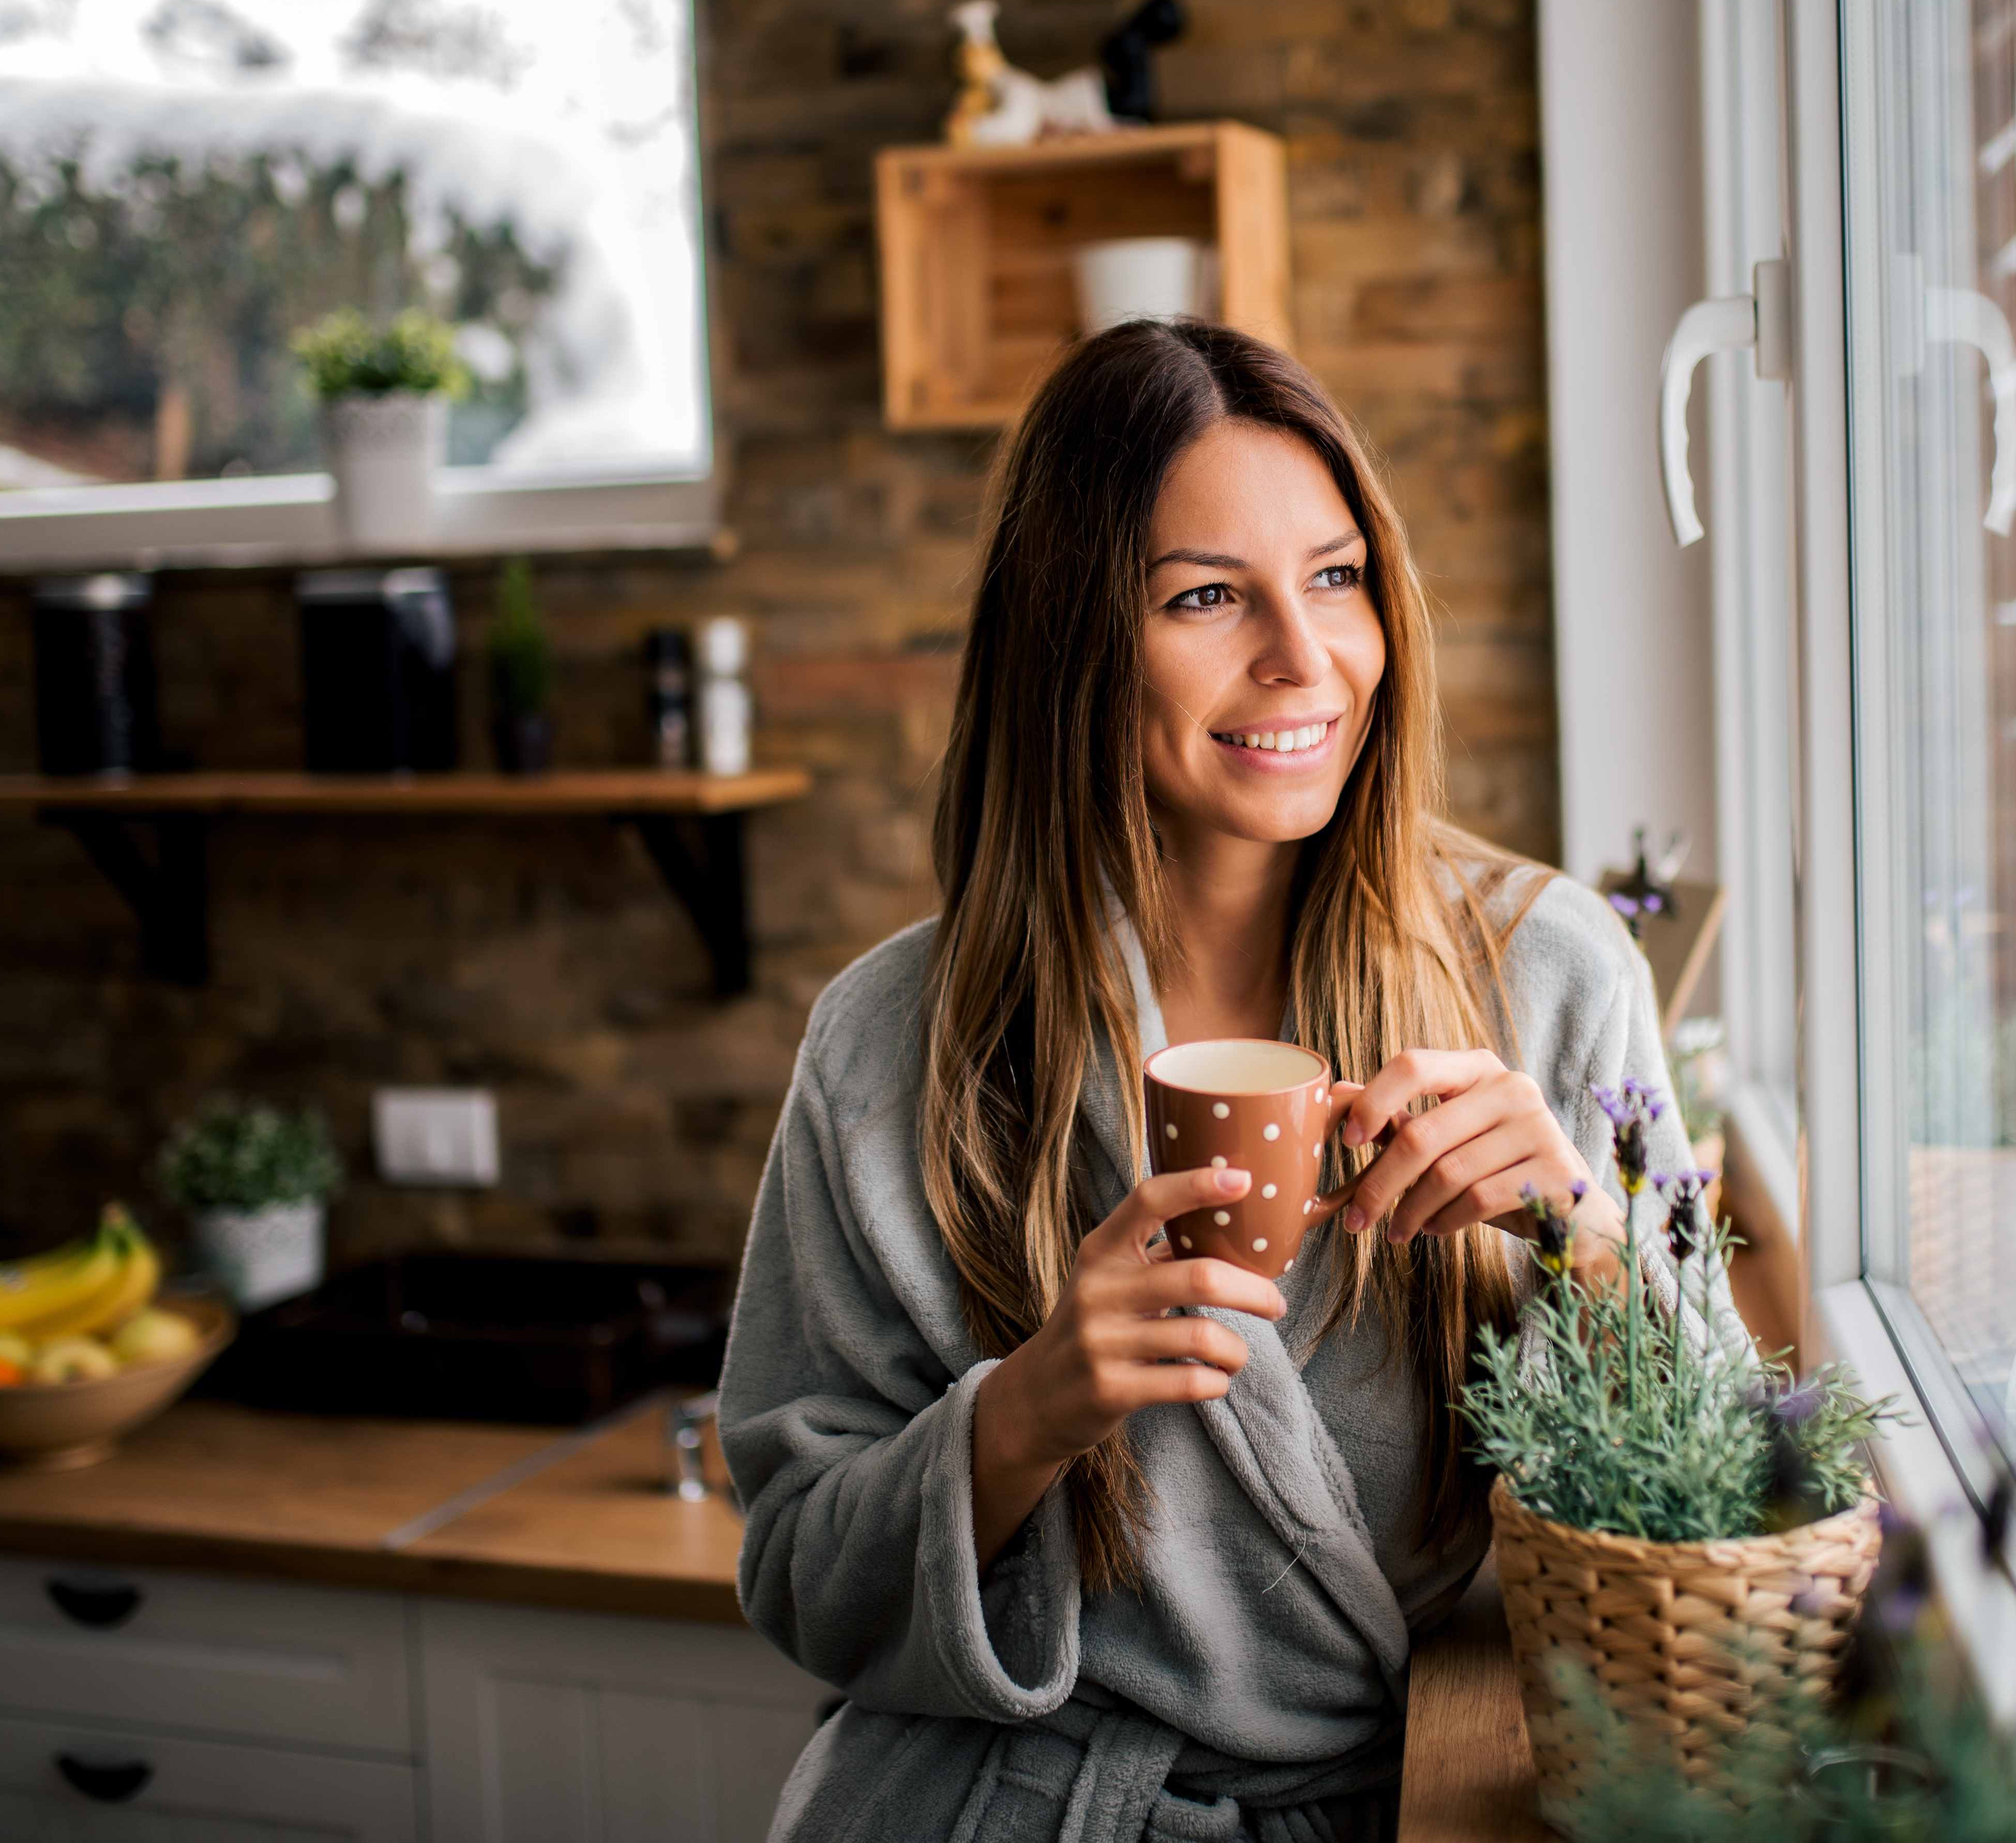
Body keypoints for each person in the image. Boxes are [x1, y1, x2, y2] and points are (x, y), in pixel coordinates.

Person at [720, 320, 1710, 1843]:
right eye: (1204, 598)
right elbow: (800, 1575)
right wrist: (1028, 1412)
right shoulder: (891, 1045)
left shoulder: (1551, 978)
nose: (1306, 661)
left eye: (1336, 577)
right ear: (1073, 642)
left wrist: (1582, 1233)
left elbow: (1721, 1500)